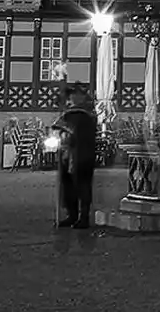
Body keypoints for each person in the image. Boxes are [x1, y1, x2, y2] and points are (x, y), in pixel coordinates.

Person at [51, 84, 100, 228]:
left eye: (74, 95)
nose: (71, 98)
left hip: (82, 156)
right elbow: (58, 128)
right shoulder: (69, 113)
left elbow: (80, 133)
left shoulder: (86, 115)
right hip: (67, 154)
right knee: (68, 186)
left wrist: (66, 129)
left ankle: (83, 217)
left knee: (82, 185)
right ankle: (72, 215)